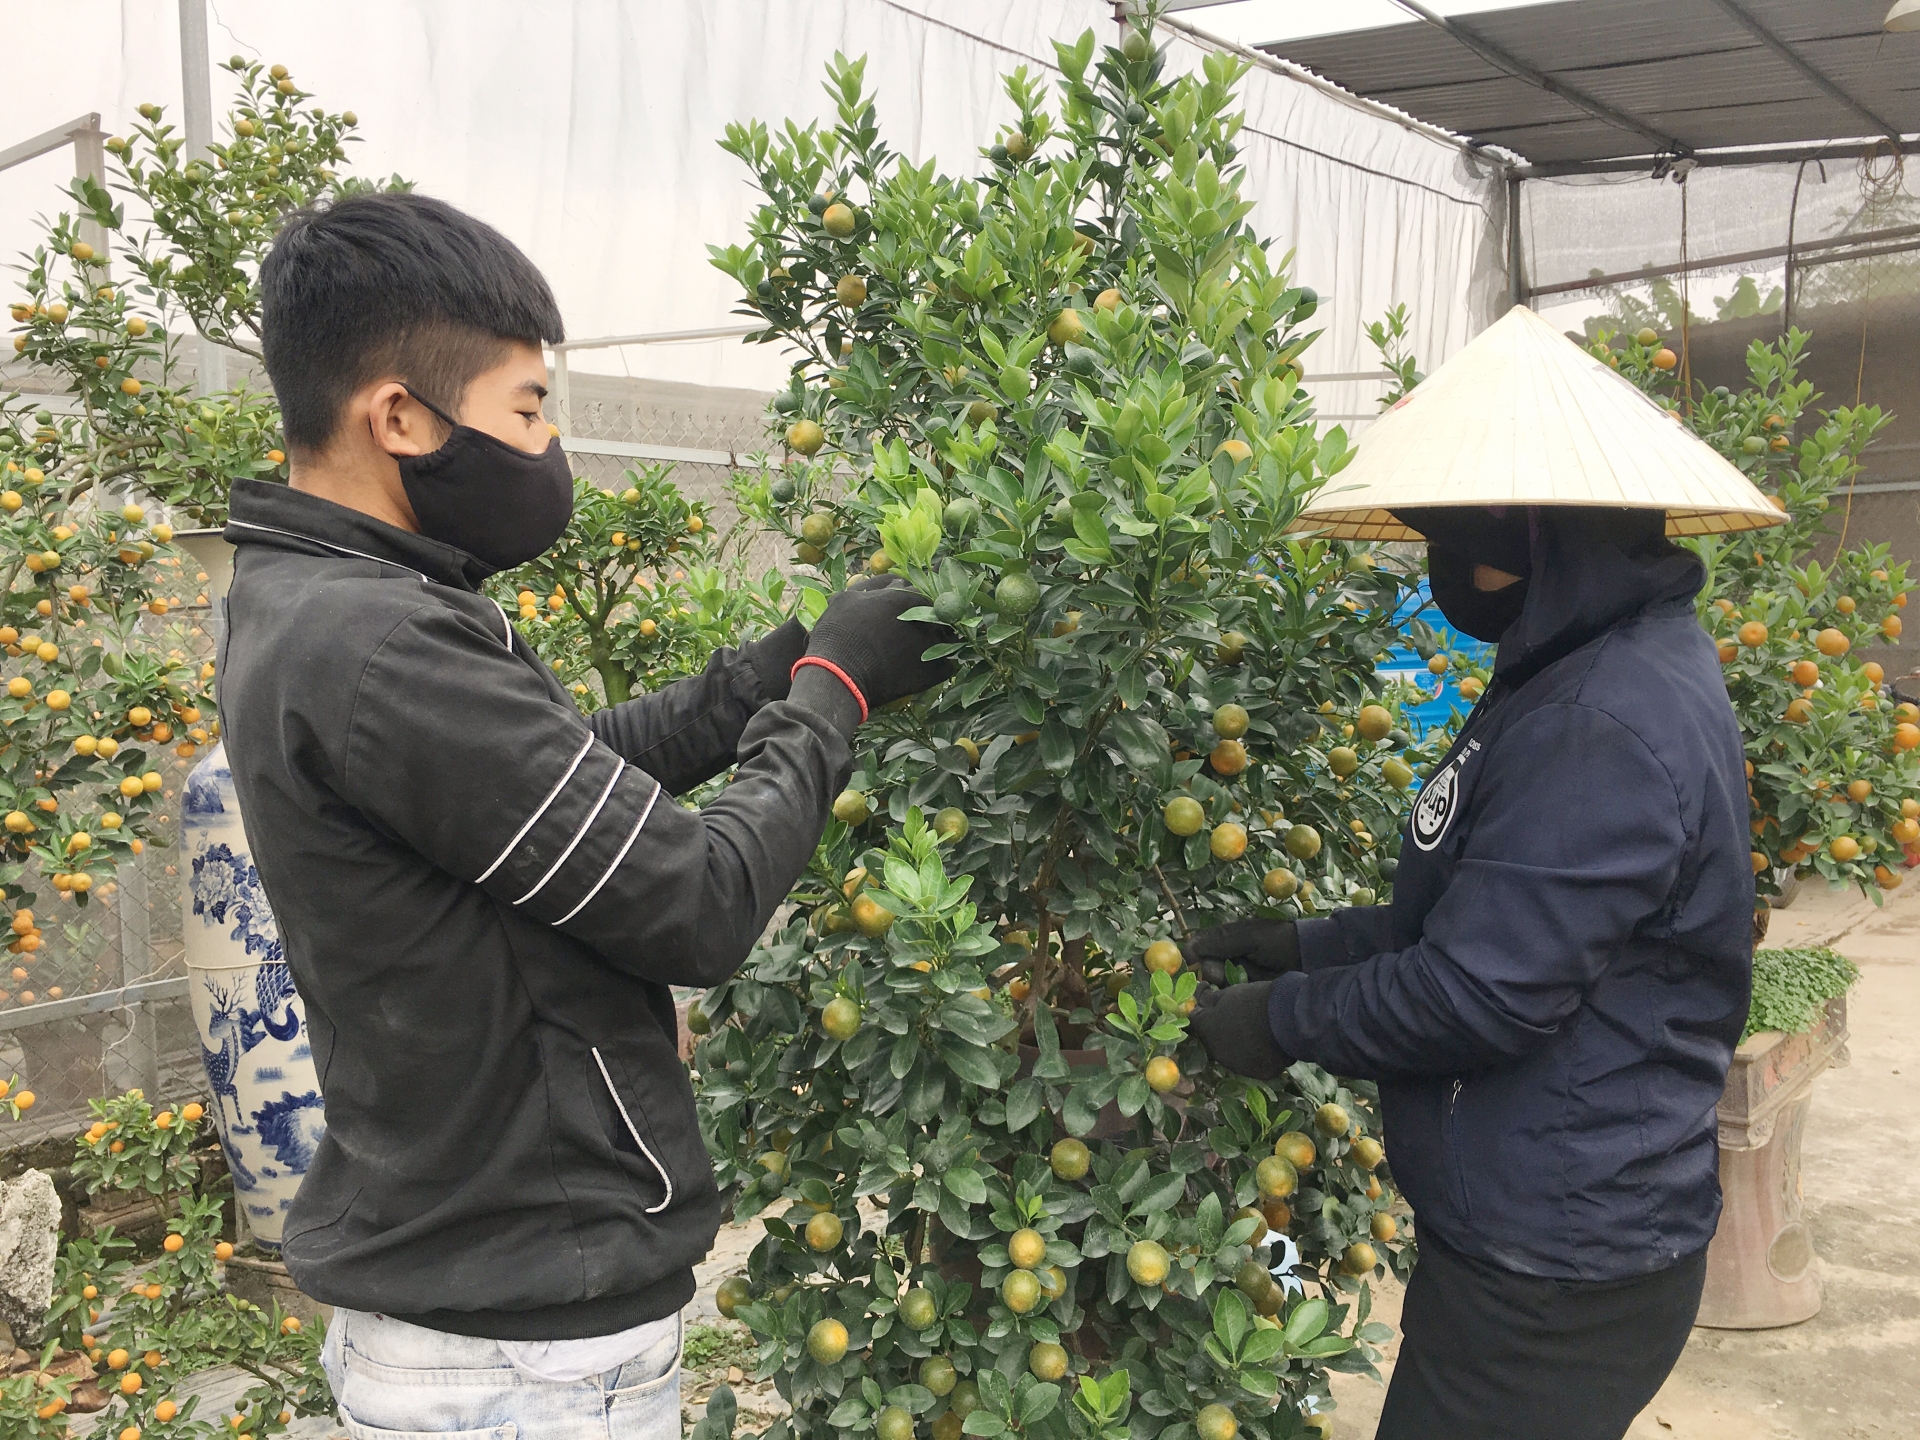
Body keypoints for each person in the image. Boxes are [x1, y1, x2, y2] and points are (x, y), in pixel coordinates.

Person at [217, 191, 949, 1438]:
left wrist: (767, 674)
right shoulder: (387, 646)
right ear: (401, 417)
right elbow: (700, 903)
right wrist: (835, 692)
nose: (546, 442)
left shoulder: (314, 599)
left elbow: (555, 785)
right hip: (526, 1359)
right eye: (526, 409)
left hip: (473, 1306)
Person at [1184, 304, 1786, 1440]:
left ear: (1547, 538)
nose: (1447, 572)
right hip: (1544, 1230)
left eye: (1461, 545)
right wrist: (1305, 945)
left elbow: (1483, 992)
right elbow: (1498, 912)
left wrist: (1285, 1018)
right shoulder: (1584, 664)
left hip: (1555, 1272)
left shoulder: (1600, 717)